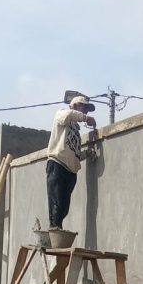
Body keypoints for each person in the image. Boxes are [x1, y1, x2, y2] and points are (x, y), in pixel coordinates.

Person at [46, 94, 96, 229]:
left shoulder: (76, 131)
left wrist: (86, 153)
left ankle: (57, 230)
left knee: (64, 208)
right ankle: (54, 232)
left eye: (87, 110)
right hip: (57, 164)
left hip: (70, 171)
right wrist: (86, 118)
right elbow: (69, 115)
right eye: (84, 108)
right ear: (74, 105)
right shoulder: (62, 114)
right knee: (56, 204)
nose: (85, 112)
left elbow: (75, 154)